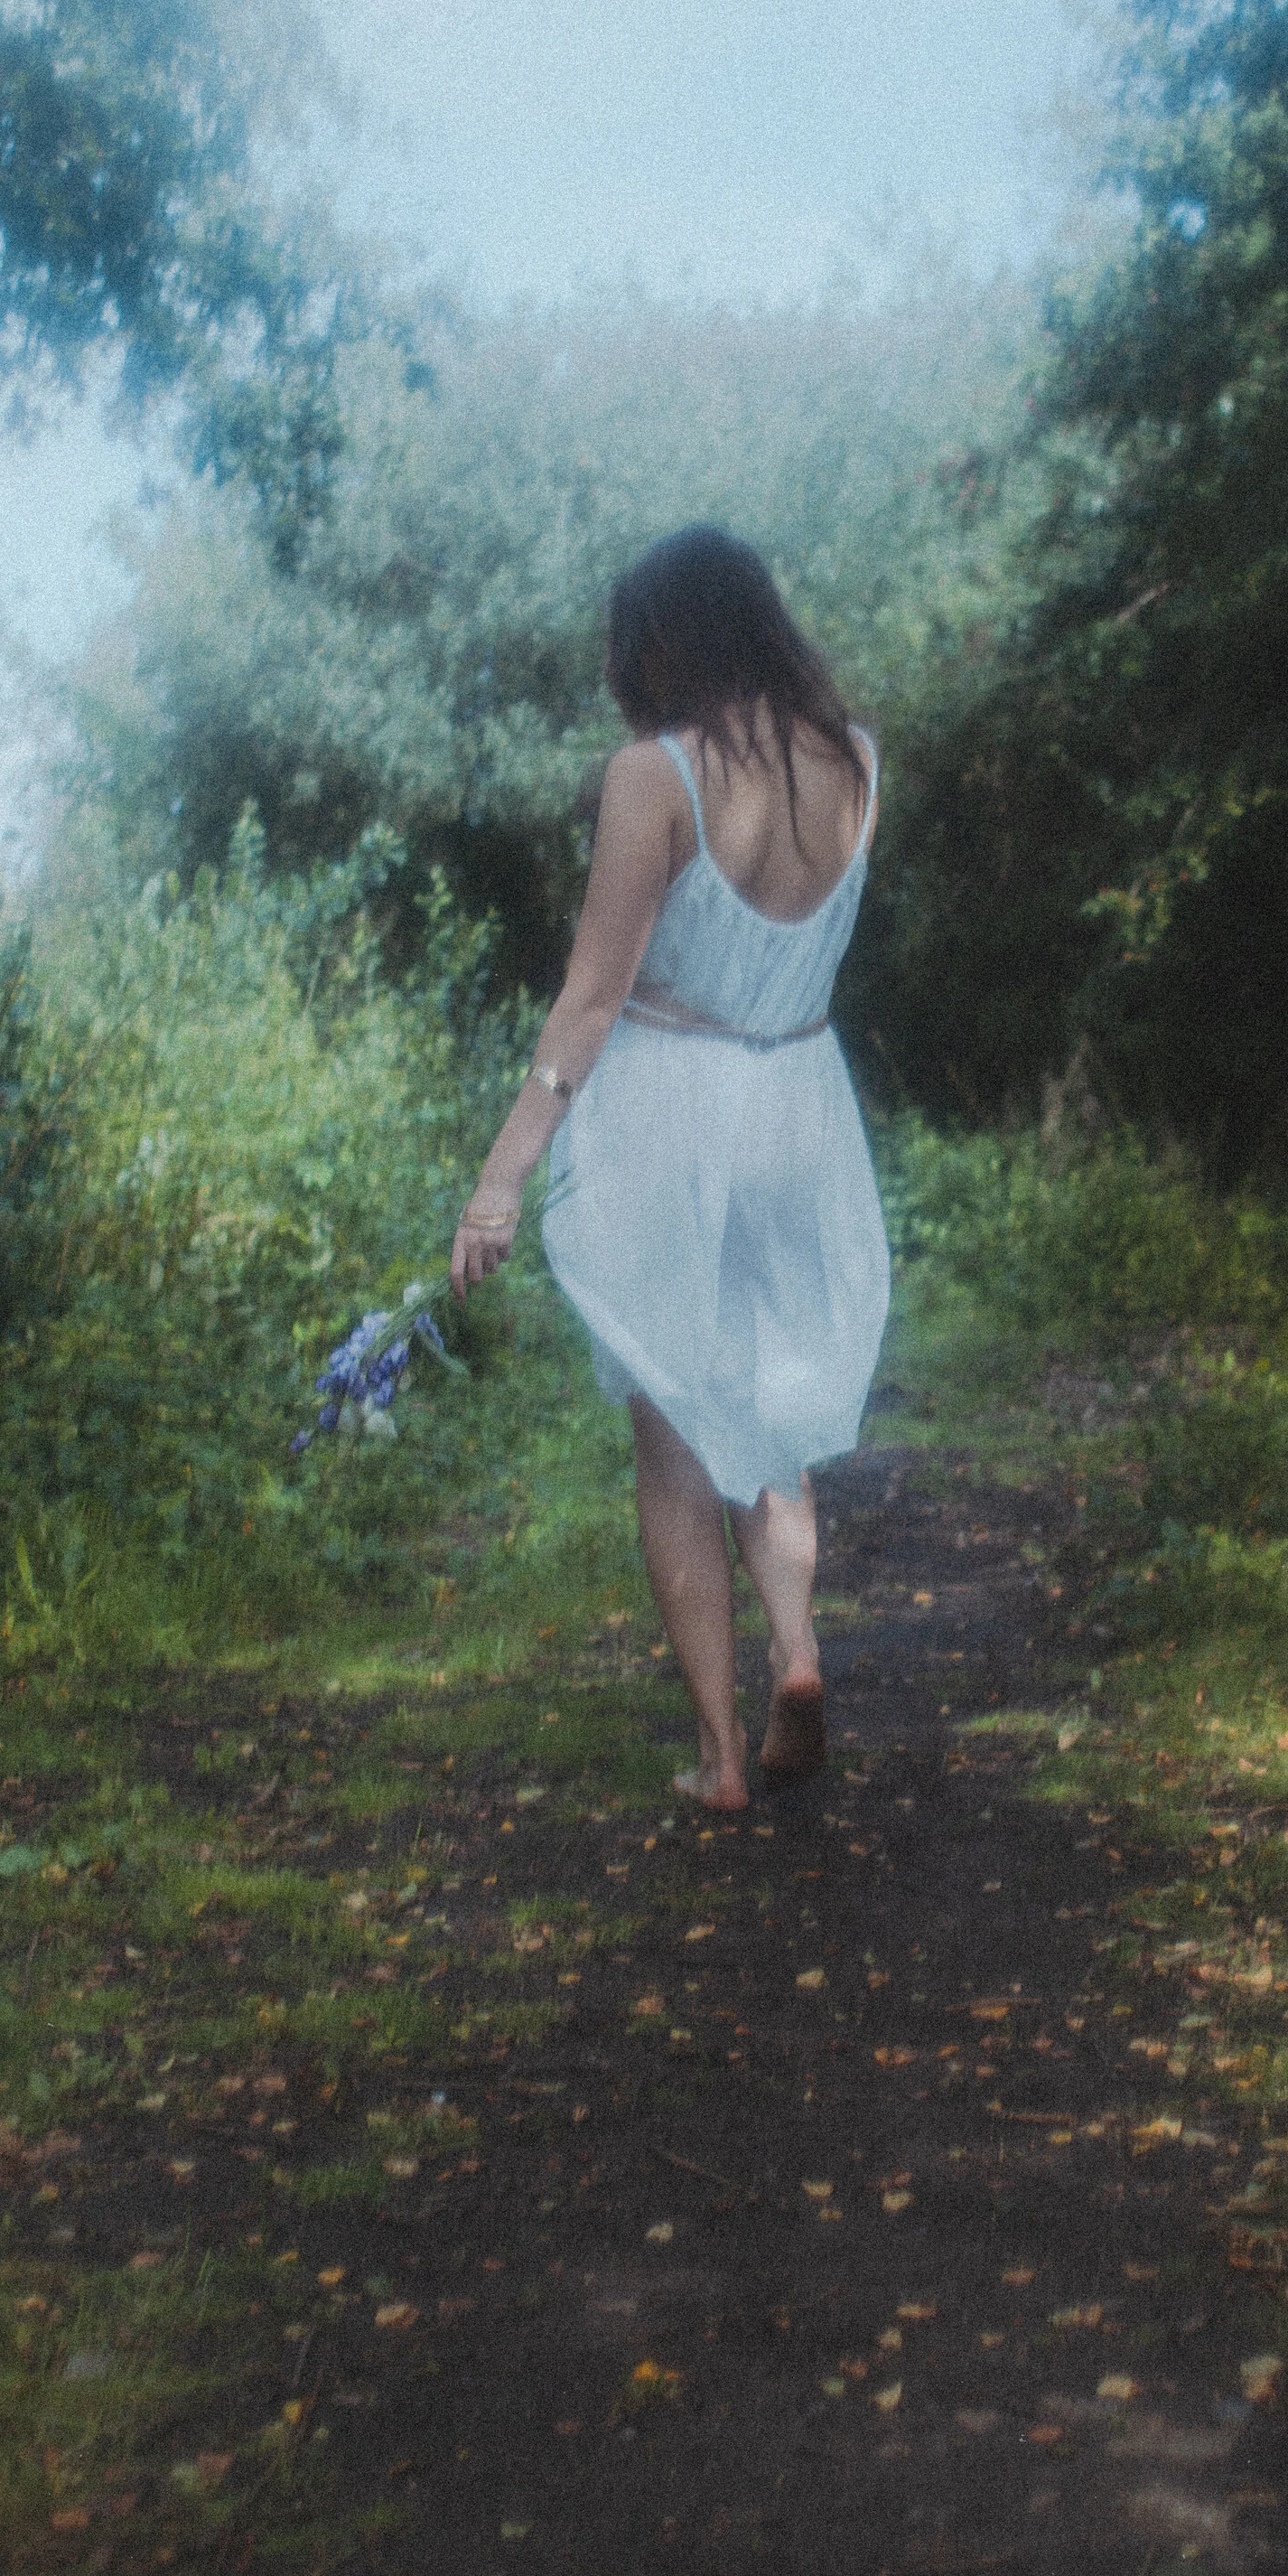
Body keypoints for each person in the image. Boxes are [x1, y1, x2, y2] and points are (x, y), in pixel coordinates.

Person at [448, 526, 890, 1811]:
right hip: (801, 1099)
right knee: (768, 1404)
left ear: (662, 639)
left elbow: (591, 1002)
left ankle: (716, 1757)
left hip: (673, 1104)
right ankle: (798, 1651)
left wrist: (499, 1178)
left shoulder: (657, 774)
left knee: (673, 1435)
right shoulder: (855, 761)